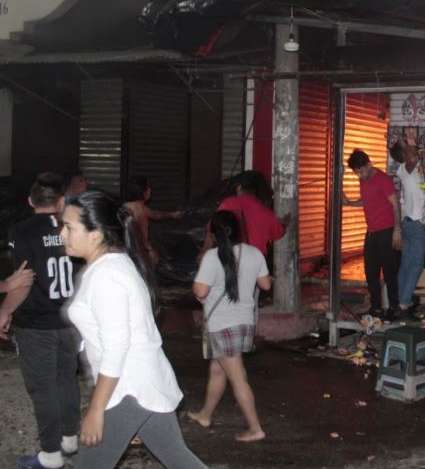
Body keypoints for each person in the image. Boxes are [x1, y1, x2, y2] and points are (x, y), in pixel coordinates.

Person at [61, 191, 207, 469]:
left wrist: (95, 409)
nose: (63, 234)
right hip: (141, 382)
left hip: (128, 388)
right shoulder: (112, 264)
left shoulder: (107, 275)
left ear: (96, 234)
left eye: (69, 227)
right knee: (178, 459)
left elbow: (116, 348)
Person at [0, 172, 81, 469]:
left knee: (43, 386)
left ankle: (50, 455)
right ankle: (70, 438)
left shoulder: (22, 231)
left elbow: (23, 279)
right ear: (61, 201)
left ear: (30, 201)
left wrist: (4, 311)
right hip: (71, 319)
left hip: (36, 323)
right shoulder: (72, 227)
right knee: (66, 378)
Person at [186, 210, 271, 442]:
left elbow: (200, 291)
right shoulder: (254, 253)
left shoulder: (212, 257)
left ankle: (255, 428)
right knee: (217, 369)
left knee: (237, 377)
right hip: (244, 324)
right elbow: (265, 285)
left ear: (214, 235)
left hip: (222, 325)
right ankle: (205, 415)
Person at [342, 149, 402, 320]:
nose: (360, 176)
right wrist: (350, 203)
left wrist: (397, 231)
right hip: (372, 231)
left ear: (369, 164)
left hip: (387, 230)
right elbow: (368, 201)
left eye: (361, 171)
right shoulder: (364, 180)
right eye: (357, 173)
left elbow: (395, 205)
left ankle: (393, 307)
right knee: (371, 272)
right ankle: (376, 308)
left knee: (389, 272)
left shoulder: (383, 179)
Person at [200, 170, 287, 259]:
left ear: (239, 186)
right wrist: (284, 223)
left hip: (230, 261)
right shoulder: (266, 212)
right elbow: (278, 234)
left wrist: (204, 253)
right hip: (255, 262)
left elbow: (212, 230)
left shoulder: (228, 203)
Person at [389, 140, 425, 322]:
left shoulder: (408, 170)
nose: (414, 149)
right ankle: (404, 304)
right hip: (415, 224)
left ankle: (400, 304)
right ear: (404, 155)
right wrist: (407, 145)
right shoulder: (407, 168)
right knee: (416, 265)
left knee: (405, 266)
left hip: (409, 223)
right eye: (409, 149)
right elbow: (412, 156)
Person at [123, 175, 184, 265]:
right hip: (135, 251)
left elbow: (156, 214)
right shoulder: (138, 209)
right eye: (148, 187)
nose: (150, 190)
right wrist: (149, 248)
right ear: (143, 192)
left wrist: (172, 214)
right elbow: (135, 233)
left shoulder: (132, 207)